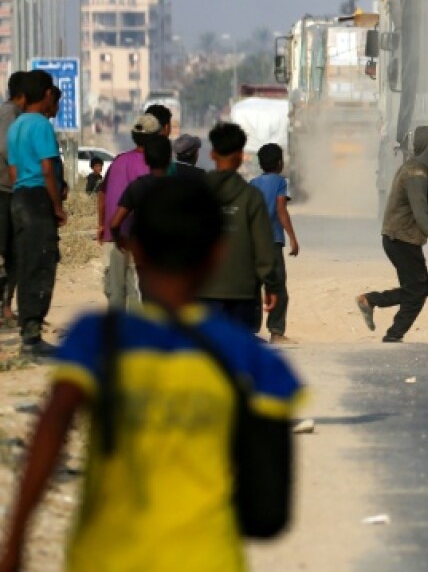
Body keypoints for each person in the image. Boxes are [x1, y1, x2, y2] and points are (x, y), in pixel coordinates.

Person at [0, 177, 304, 572]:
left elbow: (51, 430)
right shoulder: (251, 357)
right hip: (209, 559)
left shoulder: (97, 338)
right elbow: (270, 504)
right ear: (217, 254)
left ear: (136, 248)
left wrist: (16, 538)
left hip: (106, 559)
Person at [354, 126, 428, 343]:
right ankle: (392, 333)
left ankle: (371, 302)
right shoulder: (416, 174)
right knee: (417, 291)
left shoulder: (418, 170)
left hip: (403, 238)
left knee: (422, 287)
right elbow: (421, 214)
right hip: (400, 240)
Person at [6, 71, 66, 357]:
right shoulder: (41, 125)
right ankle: (32, 336)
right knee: (42, 264)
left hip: (18, 197)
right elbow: (46, 169)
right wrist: (56, 206)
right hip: (37, 199)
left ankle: (27, 332)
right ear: (44, 94)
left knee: (27, 263)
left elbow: (14, 170)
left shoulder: (16, 126)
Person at [200, 122, 280, 334]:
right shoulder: (251, 197)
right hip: (243, 292)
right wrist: (271, 285)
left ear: (212, 154)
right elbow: (264, 248)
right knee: (239, 354)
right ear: (240, 156)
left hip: (204, 290)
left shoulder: (195, 194)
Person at [96, 114, 162, 311]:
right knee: (136, 291)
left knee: (115, 290)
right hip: (136, 237)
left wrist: (101, 224)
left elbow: (102, 193)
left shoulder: (118, 161)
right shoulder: (152, 166)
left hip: (113, 234)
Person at [250, 143, 299, 344]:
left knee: (254, 287)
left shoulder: (252, 182)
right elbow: (281, 209)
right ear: (280, 163)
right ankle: (276, 332)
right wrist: (293, 238)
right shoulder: (280, 182)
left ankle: (250, 331)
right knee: (277, 287)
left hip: (253, 242)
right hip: (272, 242)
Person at [108, 135, 173, 249]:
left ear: (146, 159)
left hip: (143, 253)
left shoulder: (137, 186)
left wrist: (121, 242)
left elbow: (114, 223)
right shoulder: (181, 187)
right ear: (170, 158)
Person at [0, 71, 26, 327]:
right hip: (6, 190)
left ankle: (6, 307)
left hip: (7, 189)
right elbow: (7, 150)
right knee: (10, 251)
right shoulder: (10, 114)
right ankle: (5, 308)